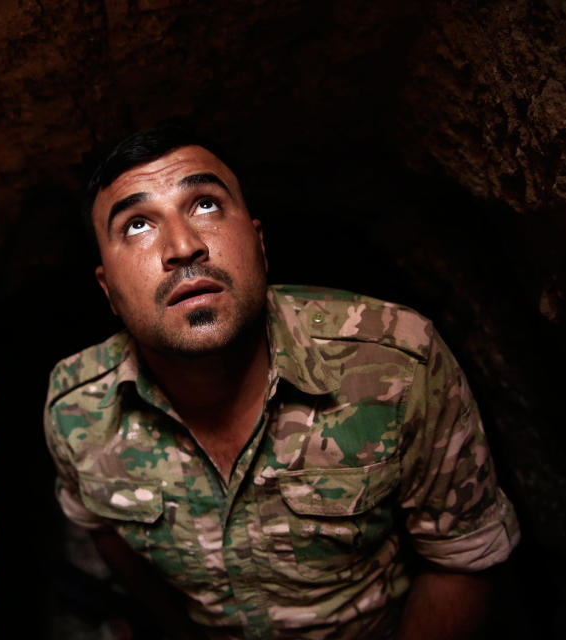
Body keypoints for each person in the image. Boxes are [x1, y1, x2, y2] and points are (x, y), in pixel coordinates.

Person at [43, 124, 520, 639]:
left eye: (205, 205)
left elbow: (461, 557)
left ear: (260, 243)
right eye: (136, 225)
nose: (183, 246)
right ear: (108, 290)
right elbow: (104, 531)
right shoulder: (78, 409)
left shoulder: (397, 364)